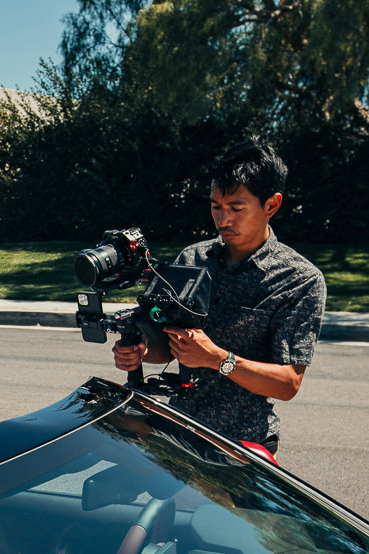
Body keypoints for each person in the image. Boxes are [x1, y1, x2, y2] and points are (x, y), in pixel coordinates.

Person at [113, 138, 326, 454]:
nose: (223, 220)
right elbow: (165, 348)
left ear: (272, 205)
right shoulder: (192, 259)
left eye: (237, 208)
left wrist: (218, 360)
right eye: (216, 206)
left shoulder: (299, 280)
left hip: (245, 446)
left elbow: (287, 383)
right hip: (177, 431)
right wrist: (142, 351)